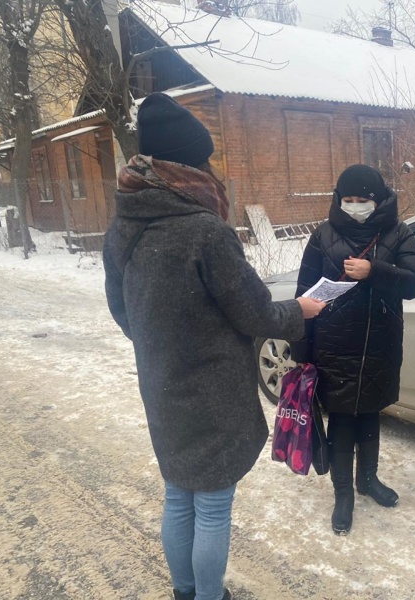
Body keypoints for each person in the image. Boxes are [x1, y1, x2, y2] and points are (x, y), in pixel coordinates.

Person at [103, 92, 325, 600]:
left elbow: (121, 308)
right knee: (213, 504)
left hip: (161, 385)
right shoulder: (206, 231)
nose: (212, 169)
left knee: (179, 496)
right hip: (213, 390)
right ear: (187, 168)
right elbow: (255, 314)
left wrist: (161, 344)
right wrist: (301, 314)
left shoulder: (123, 227)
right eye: (205, 160)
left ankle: (186, 592)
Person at [291, 164, 415, 535]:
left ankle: (368, 480)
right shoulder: (323, 235)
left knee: (369, 415)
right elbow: (304, 293)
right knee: (341, 421)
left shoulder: (398, 232)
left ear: (377, 199)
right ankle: (343, 494)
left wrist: (375, 271)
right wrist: (301, 349)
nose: (355, 206)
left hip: (378, 345)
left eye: (362, 199)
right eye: (348, 199)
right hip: (333, 346)